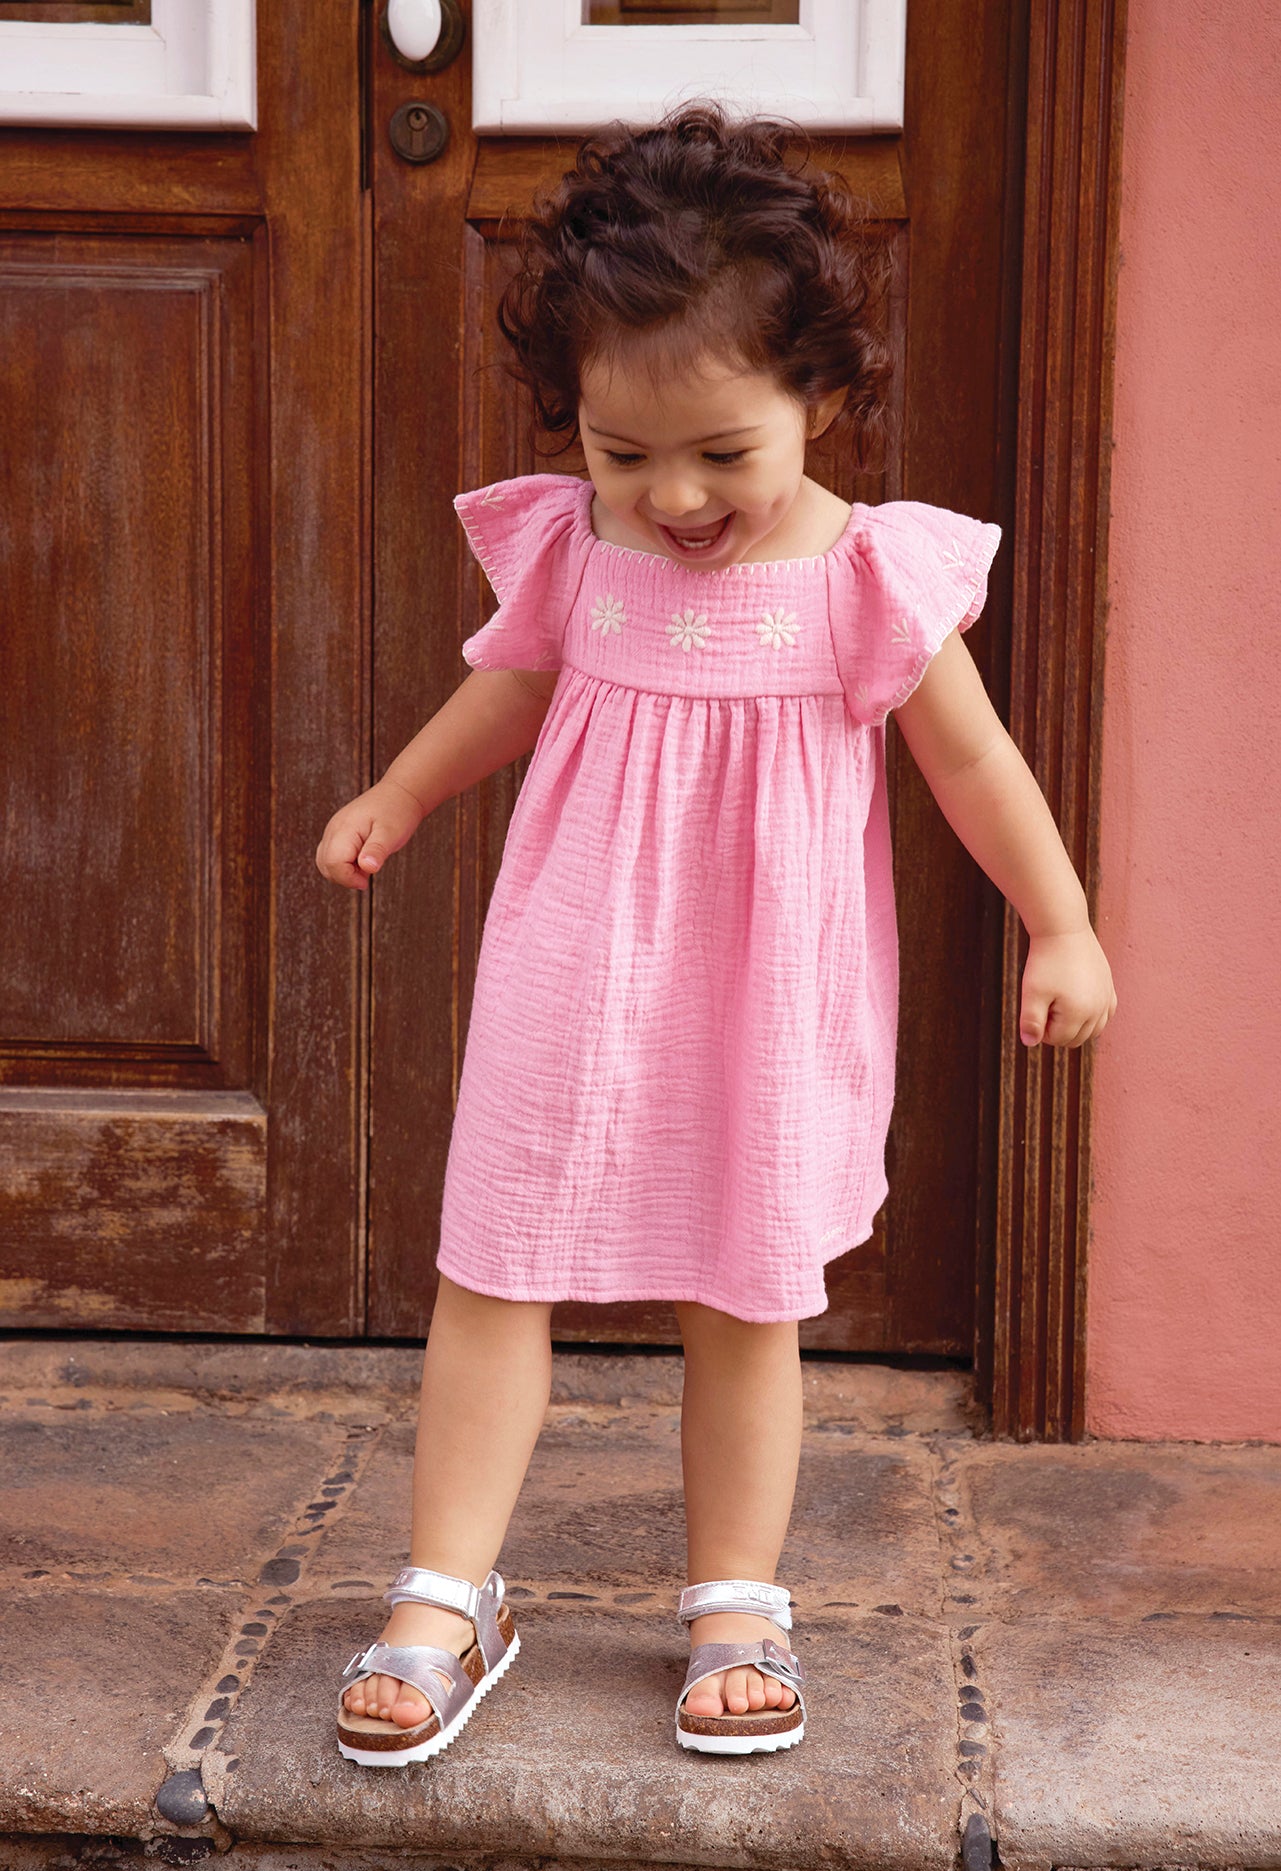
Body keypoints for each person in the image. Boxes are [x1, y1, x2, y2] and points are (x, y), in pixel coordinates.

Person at [317, 107, 1116, 1767]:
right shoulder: (580, 546)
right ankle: (446, 1591)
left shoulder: (866, 578)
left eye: (720, 455)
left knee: (744, 1290)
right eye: (623, 453)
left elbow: (972, 762)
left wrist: (1061, 924)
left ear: (817, 401)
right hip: (570, 966)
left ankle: (735, 1602)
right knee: (494, 1260)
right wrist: (401, 790)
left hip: (767, 991)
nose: (670, 495)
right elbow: (510, 688)